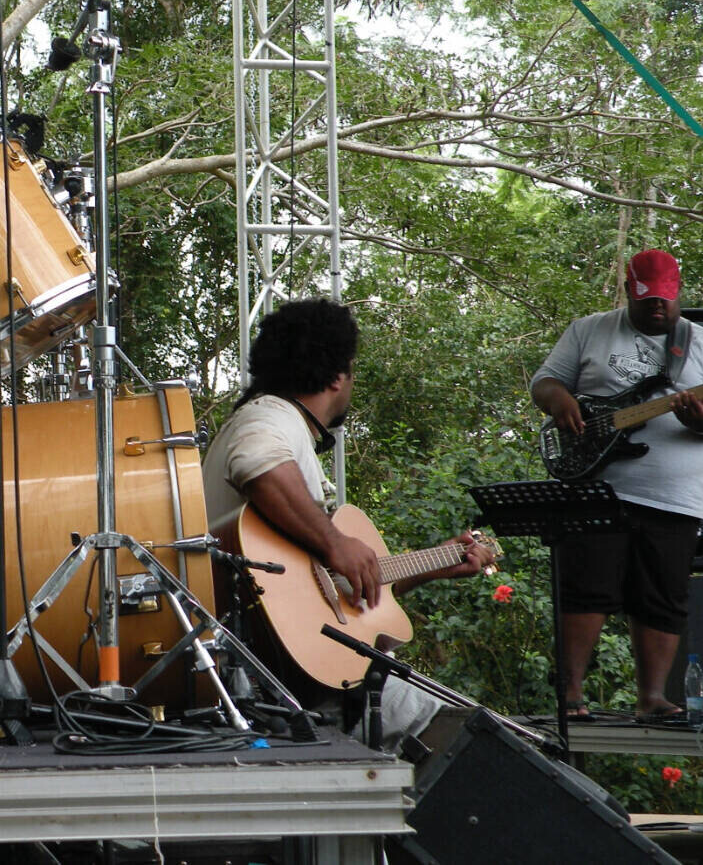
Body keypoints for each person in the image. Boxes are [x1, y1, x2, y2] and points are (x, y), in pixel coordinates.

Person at [201, 297, 493, 750]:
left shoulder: (273, 418)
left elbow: (323, 590)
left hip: (277, 670)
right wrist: (336, 542)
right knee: (472, 738)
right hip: (276, 679)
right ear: (339, 376)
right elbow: (256, 461)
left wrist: (434, 565)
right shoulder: (270, 416)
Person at [531, 248, 703, 721]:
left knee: (663, 596)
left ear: (679, 293)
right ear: (629, 289)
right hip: (596, 486)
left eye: (666, 299)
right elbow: (544, 381)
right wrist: (559, 401)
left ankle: (652, 698)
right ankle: (570, 695)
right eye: (648, 298)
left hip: (674, 497)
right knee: (586, 587)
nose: (658, 307)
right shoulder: (589, 330)